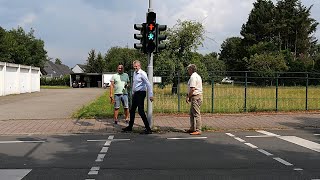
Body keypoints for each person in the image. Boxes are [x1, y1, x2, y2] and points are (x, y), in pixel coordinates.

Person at [122, 60, 153, 134]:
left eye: (136, 66)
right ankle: (130, 127)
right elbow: (135, 84)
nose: (135, 68)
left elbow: (148, 84)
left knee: (140, 111)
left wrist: (151, 95)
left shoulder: (142, 73)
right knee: (132, 110)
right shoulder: (135, 73)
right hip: (136, 93)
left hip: (141, 93)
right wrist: (133, 92)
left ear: (139, 66)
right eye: (134, 67)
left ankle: (148, 129)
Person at [186, 64, 203, 135]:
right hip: (197, 96)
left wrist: (188, 97)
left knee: (196, 113)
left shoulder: (193, 77)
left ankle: (198, 130)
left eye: (188, 70)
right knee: (192, 113)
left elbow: (192, 88)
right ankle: (192, 128)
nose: (187, 71)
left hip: (195, 97)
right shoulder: (197, 76)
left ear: (191, 69)